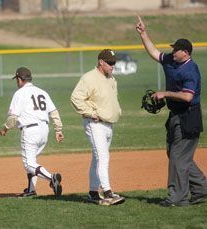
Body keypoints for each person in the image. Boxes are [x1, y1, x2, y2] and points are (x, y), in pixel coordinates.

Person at [136, 16, 207, 207]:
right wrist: (143, 33)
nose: (172, 51)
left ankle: (178, 198)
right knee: (176, 155)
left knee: (178, 157)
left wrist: (165, 93)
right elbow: (154, 53)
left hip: (188, 116)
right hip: (175, 116)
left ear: (185, 52)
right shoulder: (171, 61)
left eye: (176, 49)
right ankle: (201, 188)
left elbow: (187, 97)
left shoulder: (190, 70)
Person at [70, 49, 125, 205]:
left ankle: (93, 192)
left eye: (114, 62)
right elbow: (75, 98)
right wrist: (89, 112)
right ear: (101, 62)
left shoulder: (111, 79)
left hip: (108, 124)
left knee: (97, 158)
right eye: (110, 62)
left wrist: (118, 110)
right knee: (103, 157)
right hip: (95, 124)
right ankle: (108, 192)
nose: (113, 65)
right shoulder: (89, 78)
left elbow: (113, 98)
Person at [0, 67, 64, 197]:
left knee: (29, 164)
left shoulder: (19, 93)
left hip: (30, 131)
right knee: (32, 161)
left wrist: (5, 129)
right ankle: (31, 190)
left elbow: (13, 118)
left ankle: (52, 177)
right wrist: (58, 130)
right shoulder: (42, 92)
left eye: (16, 79)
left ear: (20, 79)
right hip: (44, 130)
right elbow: (54, 112)